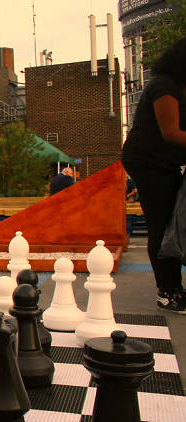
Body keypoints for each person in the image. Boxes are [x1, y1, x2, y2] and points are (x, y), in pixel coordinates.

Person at [121, 37, 186, 313]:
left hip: (169, 163)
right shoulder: (164, 87)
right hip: (148, 162)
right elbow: (170, 132)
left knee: (174, 220)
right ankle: (168, 290)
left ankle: (174, 287)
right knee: (161, 222)